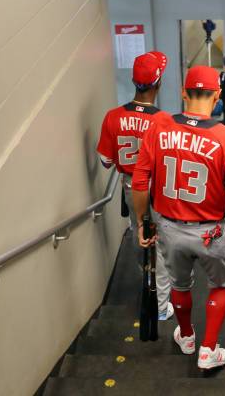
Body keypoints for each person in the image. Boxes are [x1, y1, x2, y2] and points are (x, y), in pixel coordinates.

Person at [132, 65, 225, 370]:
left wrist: (141, 220)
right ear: (218, 96)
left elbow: (140, 179)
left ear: (184, 93)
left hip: (169, 227)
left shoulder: (159, 126)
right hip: (210, 231)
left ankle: (186, 337)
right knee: (221, 285)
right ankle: (208, 350)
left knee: (179, 285)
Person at [96, 51, 174, 321]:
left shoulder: (113, 117)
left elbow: (106, 161)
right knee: (161, 240)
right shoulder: (164, 121)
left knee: (138, 232)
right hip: (158, 187)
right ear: (159, 83)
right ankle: (162, 304)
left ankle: (147, 273)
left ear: (132, 80)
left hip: (131, 186)